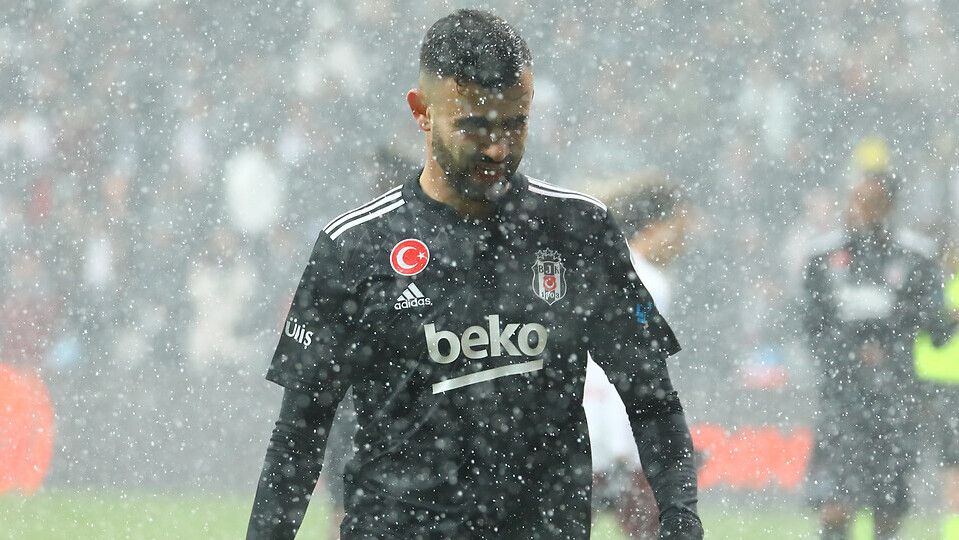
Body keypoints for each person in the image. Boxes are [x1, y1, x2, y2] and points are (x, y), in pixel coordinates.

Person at [246, 9, 702, 539]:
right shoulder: (354, 248)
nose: (497, 147)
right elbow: (300, 431)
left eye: (515, 123)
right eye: (474, 126)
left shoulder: (580, 233)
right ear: (422, 111)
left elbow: (652, 399)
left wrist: (681, 521)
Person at [802, 171, 951, 540]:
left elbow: (936, 331)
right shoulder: (824, 256)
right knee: (835, 505)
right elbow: (811, 327)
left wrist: (893, 343)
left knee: (889, 506)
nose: (862, 209)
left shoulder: (916, 257)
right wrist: (848, 354)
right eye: (856, 199)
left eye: (872, 201)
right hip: (842, 400)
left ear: (890, 205)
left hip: (896, 399)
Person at [583, 171, 692, 539]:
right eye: (679, 230)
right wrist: (627, 451)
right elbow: (633, 368)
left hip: (581, 433)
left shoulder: (597, 265)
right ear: (656, 227)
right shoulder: (647, 281)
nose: (682, 243)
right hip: (618, 439)